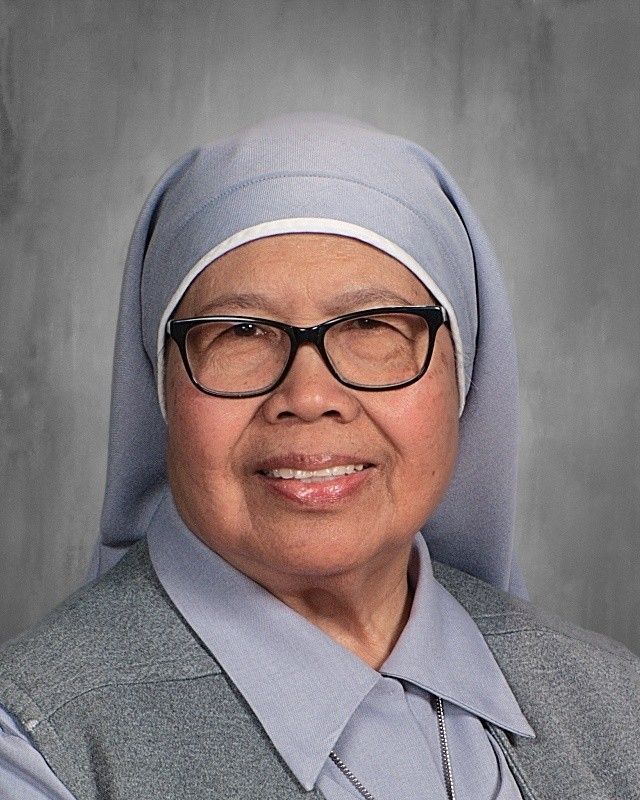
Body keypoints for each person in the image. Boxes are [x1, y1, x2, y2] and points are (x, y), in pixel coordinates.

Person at [0, 113, 638, 800]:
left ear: (465, 375)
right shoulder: (36, 748)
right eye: (240, 330)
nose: (308, 395)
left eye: (371, 325)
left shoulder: (613, 701)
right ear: (163, 388)